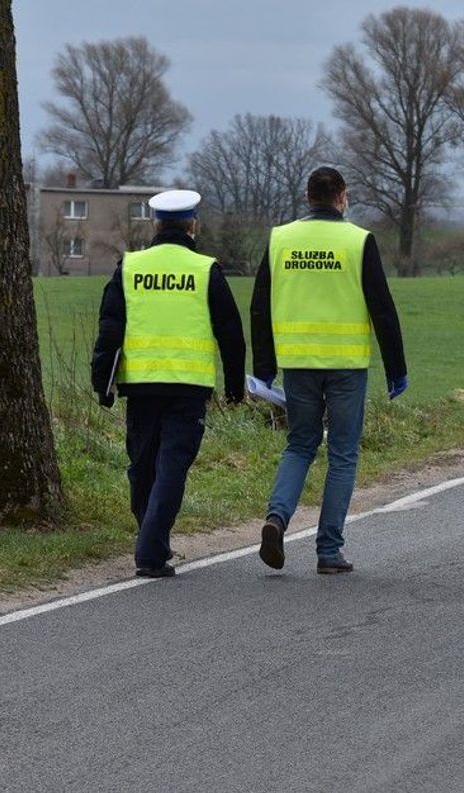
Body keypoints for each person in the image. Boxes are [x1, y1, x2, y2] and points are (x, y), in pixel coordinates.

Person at [250, 166, 407, 574]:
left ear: (308, 197)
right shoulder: (358, 241)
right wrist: (396, 369)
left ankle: (277, 518)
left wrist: (264, 367)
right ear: (342, 197)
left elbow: (260, 305)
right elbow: (382, 307)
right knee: (342, 454)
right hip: (346, 366)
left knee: (300, 445)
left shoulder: (280, 239)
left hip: (298, 363)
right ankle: (328, 550)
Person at [91, 189, 246, 578]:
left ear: (156, 224)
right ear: (193, 225)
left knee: (142, 467)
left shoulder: (129, 266)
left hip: (140, 386)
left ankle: (151, 541)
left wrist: (102, 384)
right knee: (172, 467)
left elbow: (110, 329)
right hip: (187, 387)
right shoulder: (205, 268)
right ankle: (151, 549)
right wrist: (233, 388)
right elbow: (231, 332)